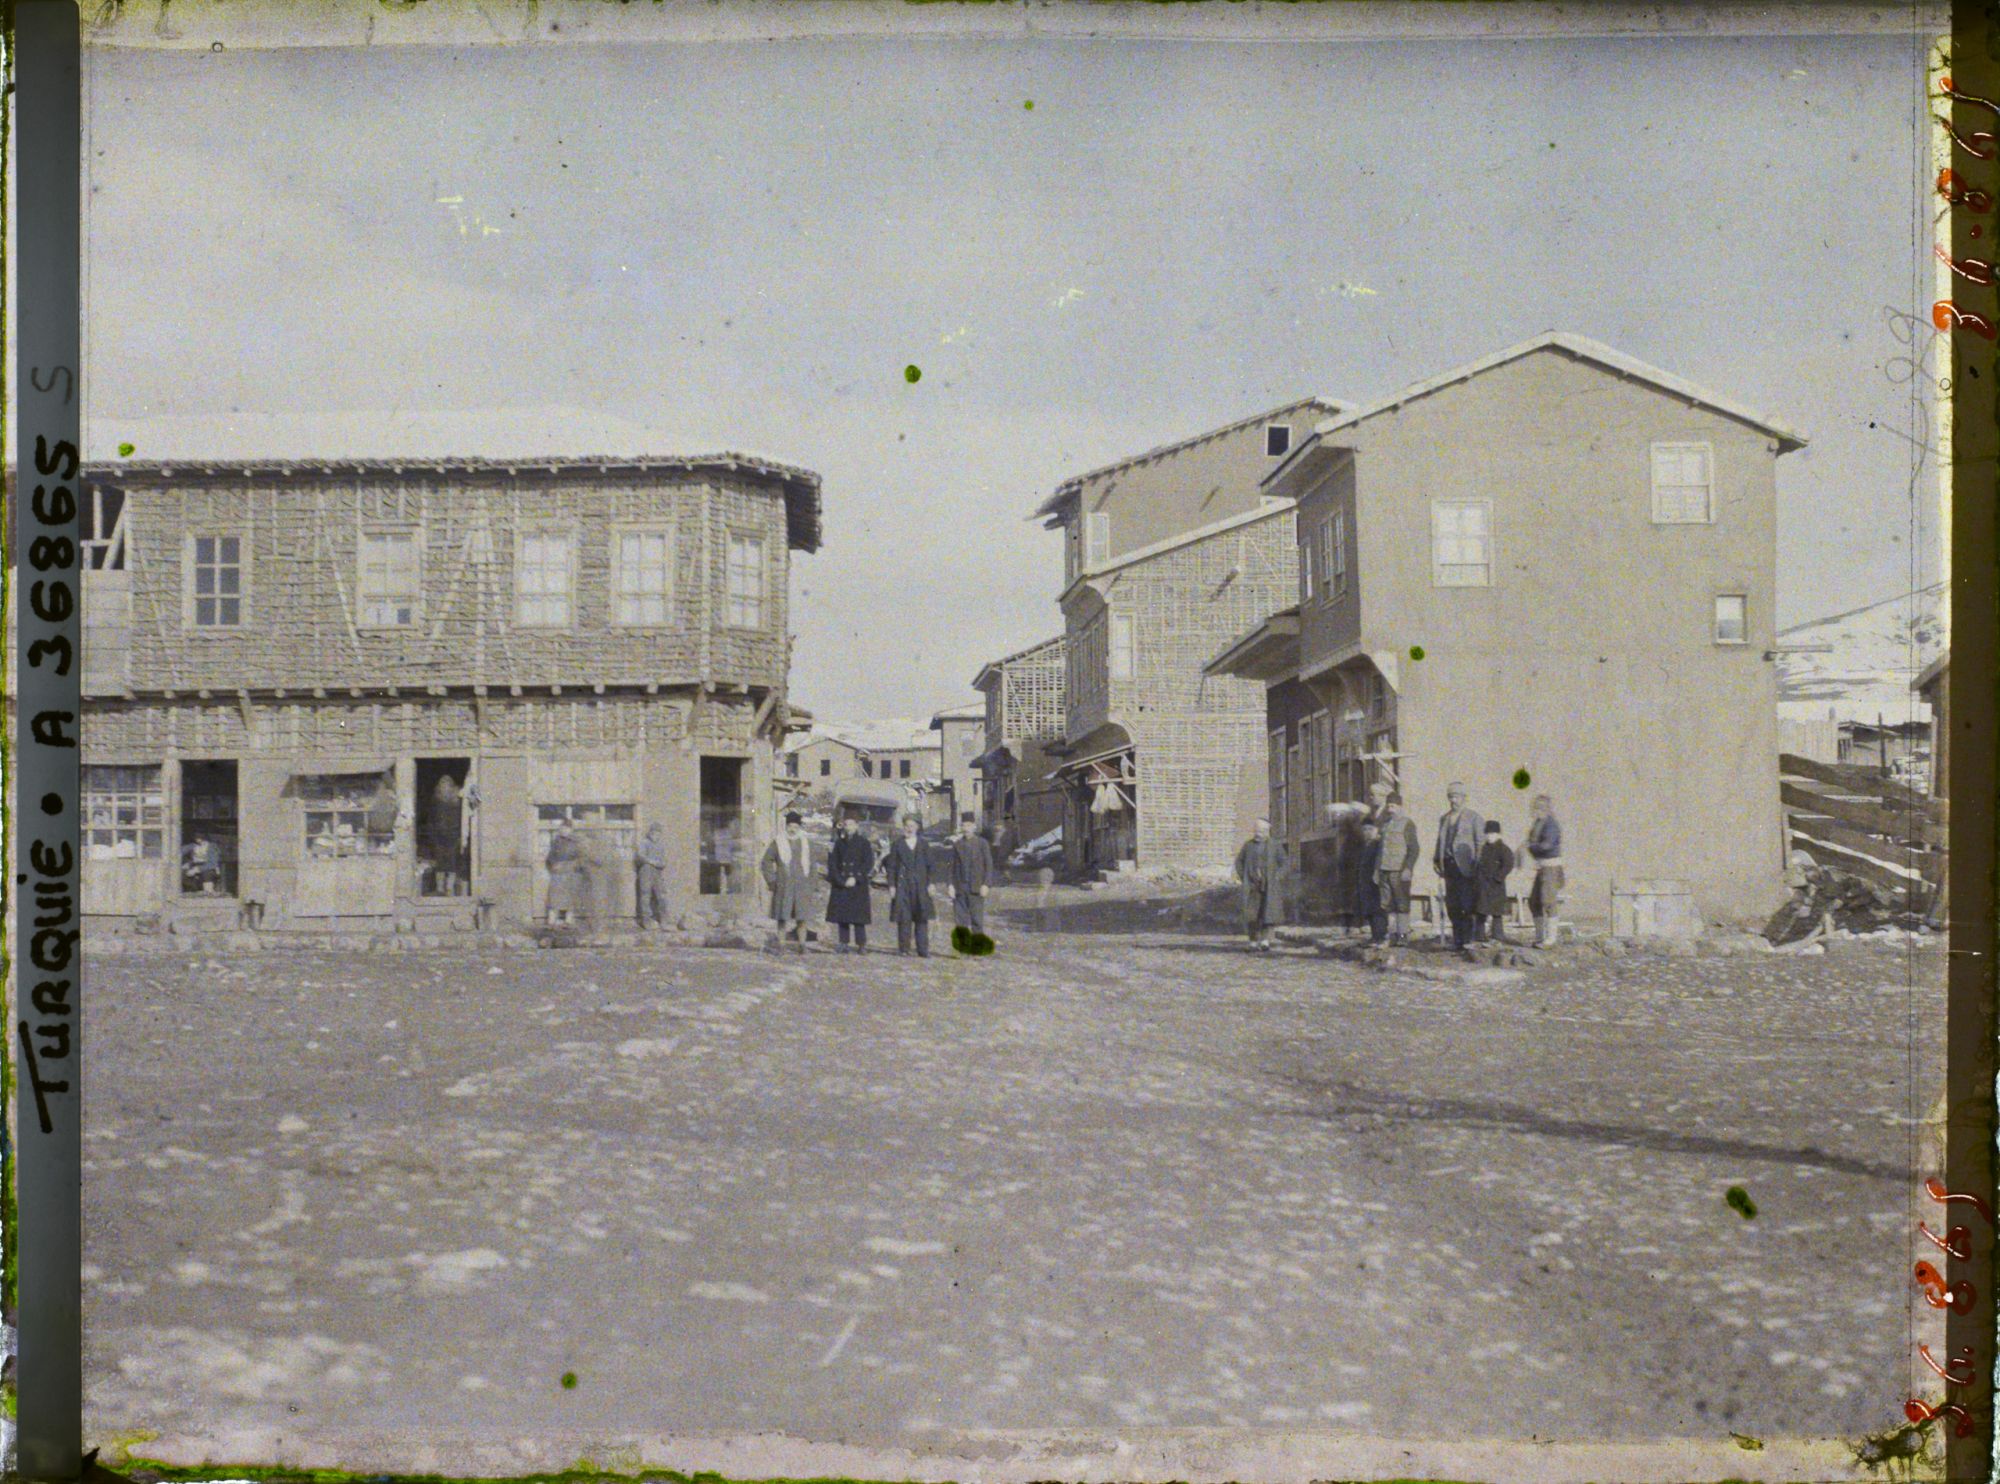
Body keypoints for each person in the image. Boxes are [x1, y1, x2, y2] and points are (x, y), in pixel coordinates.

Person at [1433, 781, 1485, 949]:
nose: (1453, 800)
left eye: (1456, 797)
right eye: (1450, 797)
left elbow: (1480, 843)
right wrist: (1437, 859)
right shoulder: (1445, 818)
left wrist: (1477, 864)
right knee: (1452, 905)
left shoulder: (1474, 817)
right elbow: (1440, 841)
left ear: (1464, 798)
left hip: (1466, 867)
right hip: (1449, 866)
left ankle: (1468, 940)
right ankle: (1457, 940)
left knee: (1466, 904)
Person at [760, 811, 816, 952]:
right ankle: (781, 945)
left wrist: (812, 883)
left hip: (802, 885)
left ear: (799, 827)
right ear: (786, 827)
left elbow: (812, 864)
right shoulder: (778, 842)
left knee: (802, 917)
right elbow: (766, 861)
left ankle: (802, 945)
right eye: (790, 826)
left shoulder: (806, 842)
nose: (792, 829)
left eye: (795, 827)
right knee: (782, 917)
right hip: (784, 885)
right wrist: (772, 880)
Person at [885, 813, 938, 957]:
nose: (909, 829)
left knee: (921, 917)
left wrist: (931, 883)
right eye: (907, 826)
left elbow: (931, 866)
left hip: (920, 886)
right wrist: (891, 885)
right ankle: (904, 948)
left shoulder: (924, 845)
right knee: (904, 917)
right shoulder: (897, 844)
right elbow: (891, 867)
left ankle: (922, 949)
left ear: (917, 827)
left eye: (912, 826)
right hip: (903, 886)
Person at [826, 813, 875, 953]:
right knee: (843, 916)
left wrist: (856, 878)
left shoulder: (864, 843)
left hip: (857, 884)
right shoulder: (839, 843)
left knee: (858, 916)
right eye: (846, 825)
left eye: (851, 824)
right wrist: (840, 880)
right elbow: (833, 863)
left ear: (857, 826)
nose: (848, 827)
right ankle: (843, 942)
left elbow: (868, 863)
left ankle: (861, 944)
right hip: (842, 883)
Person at [1377, 793, 1421, 945]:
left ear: (1400, 807)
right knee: (1387, 904)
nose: (1390, 809)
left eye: (1393, 806)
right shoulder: (1385, 825)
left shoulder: (1407, 824)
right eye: (1388, 806)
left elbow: (1414, 849)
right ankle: (1392, 934)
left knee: (1402, 903)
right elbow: (1380, 850)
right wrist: (1377, 870)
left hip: (1399, 870)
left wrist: (1408, 868)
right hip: (1384, 869)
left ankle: (1402, 935)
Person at [1525, 793, 1565, 948]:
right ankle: (1539, 936)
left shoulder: (1551, 825)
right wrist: (1531, 847)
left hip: (1551, 867)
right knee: (1534, 901)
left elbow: (1546, 846)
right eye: (1536, 807)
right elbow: (1532, 844)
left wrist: (1531, 846)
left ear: (1547, 809)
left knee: (1548, 901)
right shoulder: (1537, 824)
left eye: (1541, 807)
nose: (1537, 810)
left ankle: (1551, 938)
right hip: (1541, 866)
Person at [1234, 819, 1279, 951]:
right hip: (1252, 886)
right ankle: (1253, 941)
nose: (1259, 833)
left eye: (1262, 831)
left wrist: (1277, 876)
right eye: (1257, 830)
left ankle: (1265, 941)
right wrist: (1244, 877)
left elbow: (1284, 862)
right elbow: (1239, 862)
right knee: (1252, 914)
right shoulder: (1248, 845)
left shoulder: (1274, 845)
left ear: (1267, 831)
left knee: (1267, 913)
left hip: (1269, 886)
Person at [948, 813, 995, 936]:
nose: (966, 829)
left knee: (977, 921)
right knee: (960, 922)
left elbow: (989, 866)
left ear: (974, 826)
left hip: (976, 887)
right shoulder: (957, 845)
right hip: (960, 888)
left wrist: (986, 884)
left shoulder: (982, 843)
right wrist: (950, 885)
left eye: (969, 825)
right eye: (963, 826)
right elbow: (951, 867)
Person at [1474, 819, 1515, 944]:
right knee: (1481, 911)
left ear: (1498, 834)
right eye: (1487, 834)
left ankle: (1497, 936)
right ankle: (1479, 936)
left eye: (1492, 833)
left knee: (1496, 912)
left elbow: (1508, 865)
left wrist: (1498, 877)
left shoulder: (1504, 849)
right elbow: (1479, 865)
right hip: (1483, 885)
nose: (1489, 836)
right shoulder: (1484, 849)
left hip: (1496, 886)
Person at [545, 820, 587, 926]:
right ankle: (552, 918)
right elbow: (550, 857)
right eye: (562, 828)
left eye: (566, 828)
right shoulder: (556, 842)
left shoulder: (577, 842)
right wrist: (553, 865)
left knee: (570, 896)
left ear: (571, 830)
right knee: (554, 895)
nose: (563, 830)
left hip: (571, 872)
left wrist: (573, 865)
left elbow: (582, 858)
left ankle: (569, 919)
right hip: (558, 872)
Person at [1353, 819, 1388, 944]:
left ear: (1376, 830)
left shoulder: (1379, 845)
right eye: (1364, 829)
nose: (1367, 832)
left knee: (1377, 909)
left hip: (1376, 881)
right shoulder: (1365, 846)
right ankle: (1375, 936)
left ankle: (1381, 936)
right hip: (1365, 882)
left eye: (1370, 829)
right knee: (1369, 909)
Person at [429, 774, 465, 894]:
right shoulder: (436, 801)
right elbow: (431, 819)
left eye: (447, 785)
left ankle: (449, 887)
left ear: (451, 787)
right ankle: (440, 887)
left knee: (452, 862)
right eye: (442, 785)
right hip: (439, 836)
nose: (444, 788)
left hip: (453, 836)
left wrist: (460, 834)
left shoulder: (457, 802)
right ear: (439, 787)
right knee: (440, 861)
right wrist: (433, 835)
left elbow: (461, 819)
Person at [634, 822, 670, 930]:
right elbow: (640, 856)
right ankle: (646, 921)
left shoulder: (661, 846)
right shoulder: (644, 843)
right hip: (645, 872)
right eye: (653, 832)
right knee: (645, 895)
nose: (655, 835)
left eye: (658, 833)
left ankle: (663, 920)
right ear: (649, 833)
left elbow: (663, 862)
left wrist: (657, 863)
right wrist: (651, 861)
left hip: (657, 873)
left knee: (662, 896)